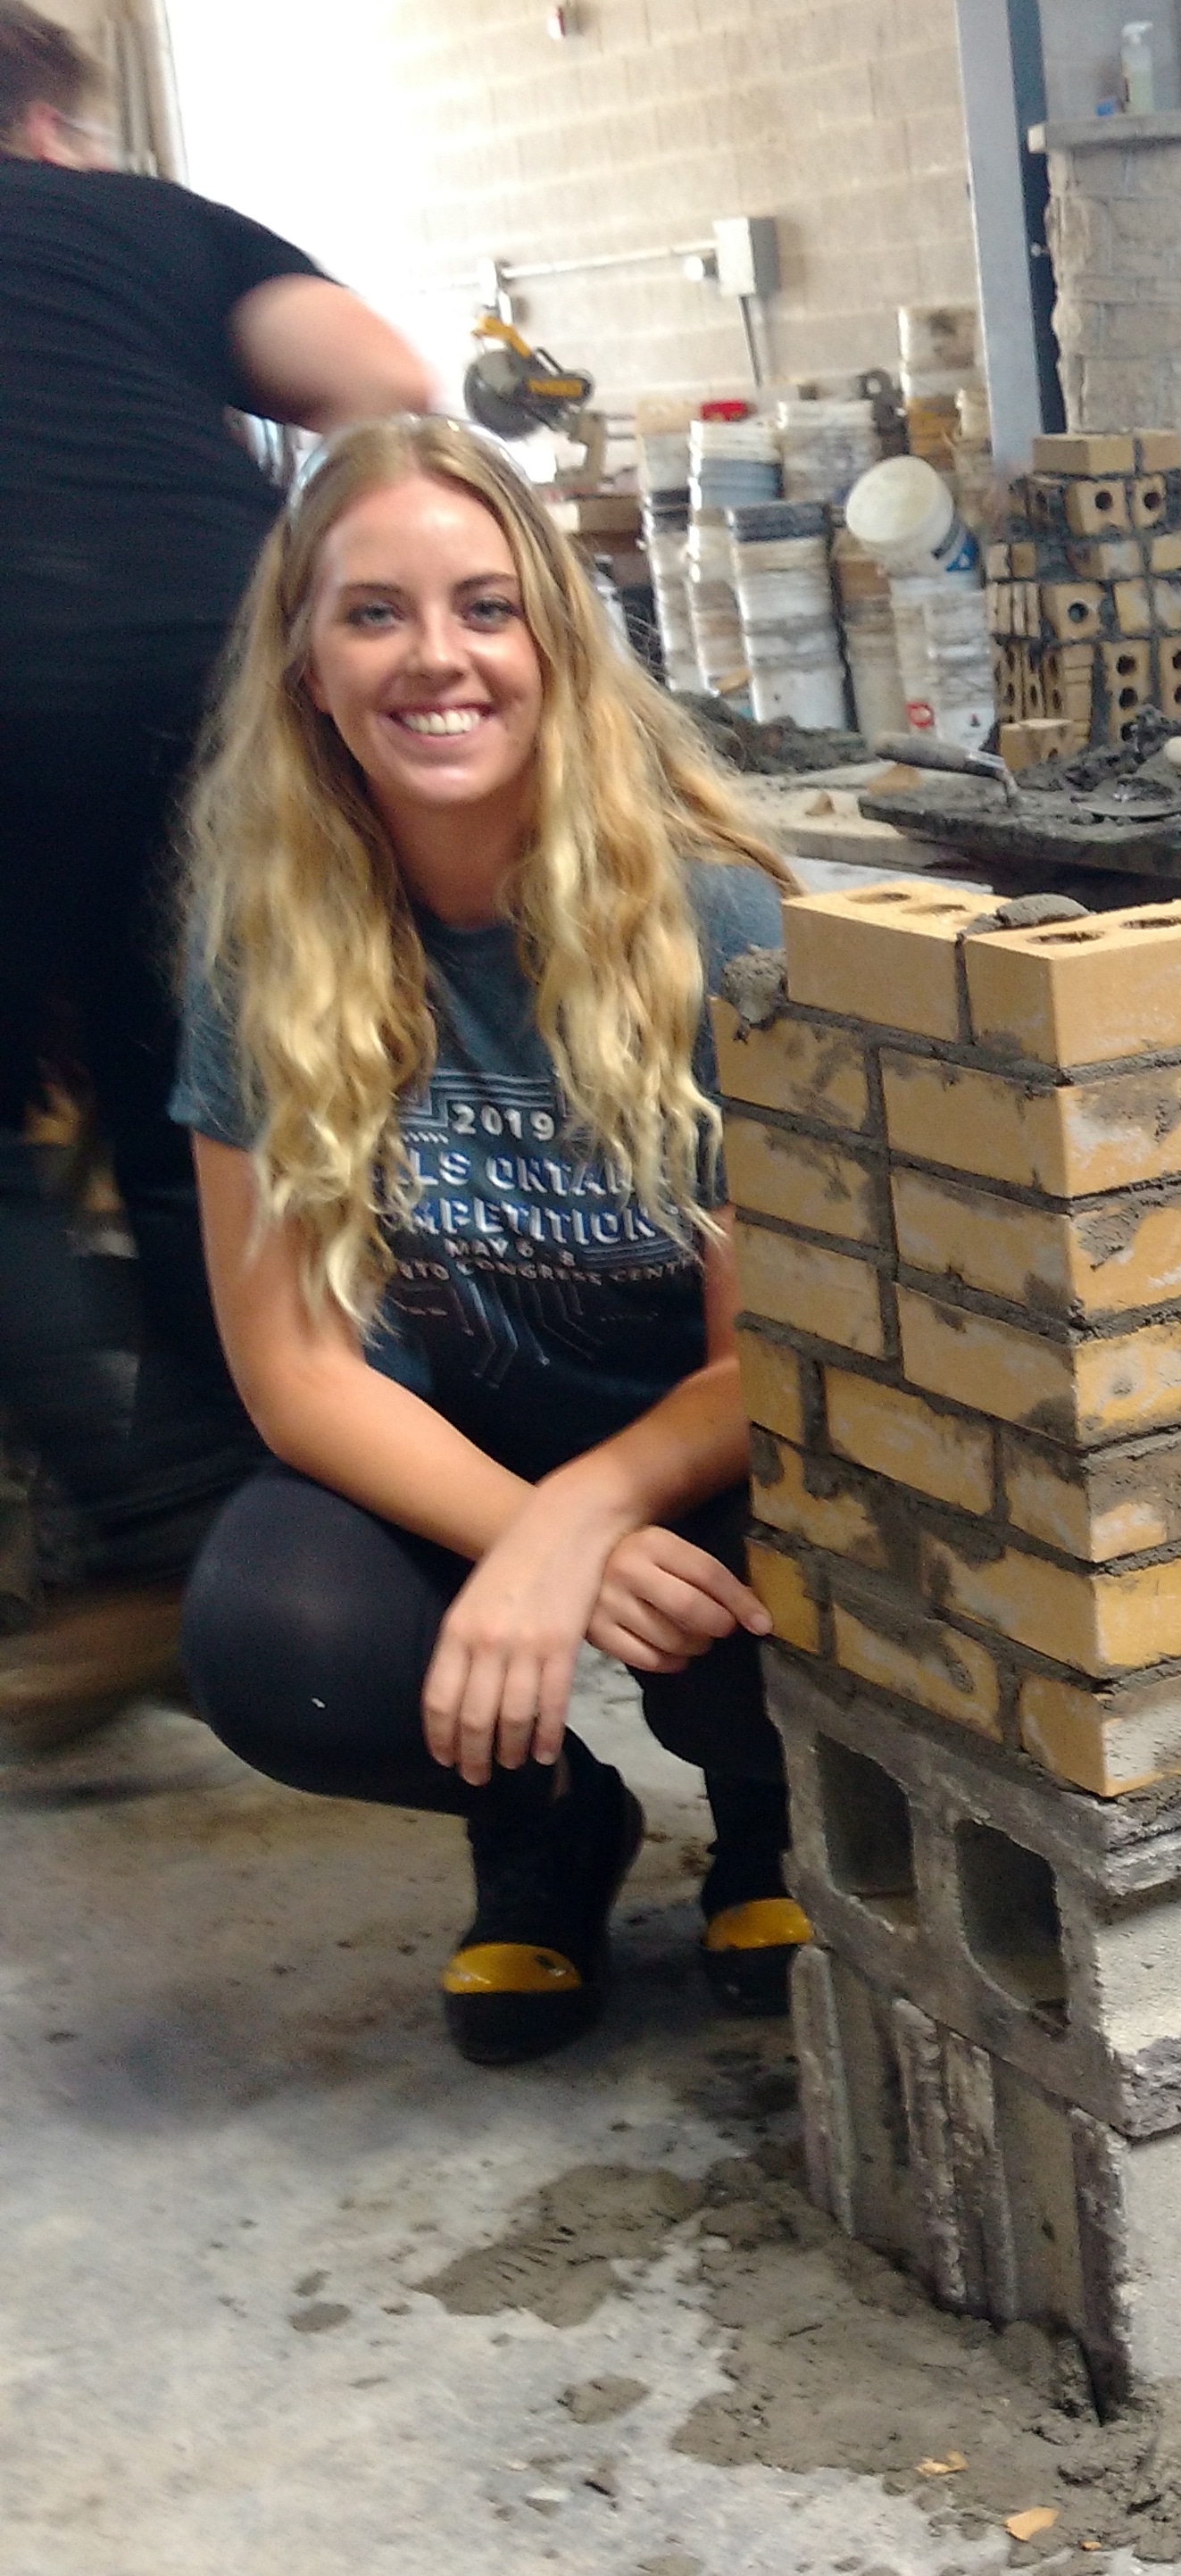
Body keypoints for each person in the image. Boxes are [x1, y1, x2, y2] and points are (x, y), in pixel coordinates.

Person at [171, 416, 806, 2065]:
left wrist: (584, 1521)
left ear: (554, 642)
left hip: (694, 1462)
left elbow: (774, 1356)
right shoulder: (266, 950)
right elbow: (297, 1372)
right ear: (306, 661)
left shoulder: (714, 918)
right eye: (373, 612)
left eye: (484, 606)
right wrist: (529, 1534)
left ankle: (763, 1819)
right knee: (279, 1648)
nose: (433, 657)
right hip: (442, 1462)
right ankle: (545, 1820)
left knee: (783, 1615)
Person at [0, 3, 429, 1744]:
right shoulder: (133, 222)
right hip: (214, 683)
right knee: (209, 1112)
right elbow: (385, 380)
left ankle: (155, 1549)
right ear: (51, 124)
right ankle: (286, 1510)